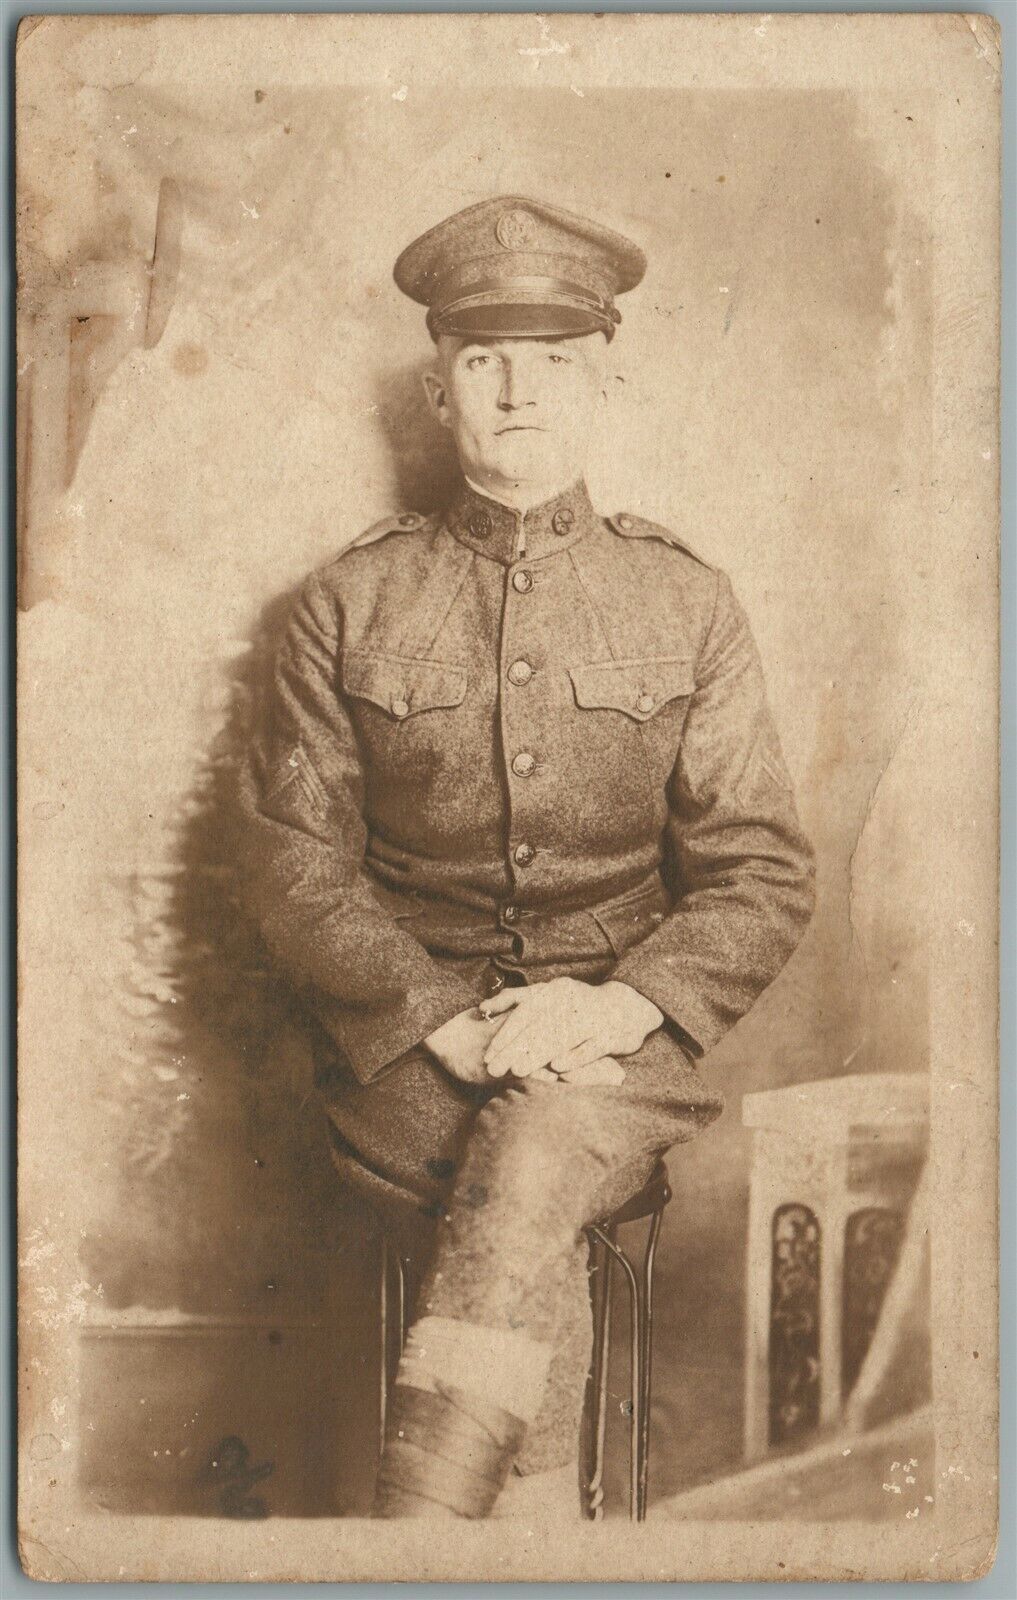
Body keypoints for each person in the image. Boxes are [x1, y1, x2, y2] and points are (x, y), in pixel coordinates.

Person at [237, 195, 815, 1521]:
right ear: (439, 391)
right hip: (405, 1050)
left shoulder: (686, 599)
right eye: (485, 360)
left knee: (552, 1127)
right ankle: (535, 1534)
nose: (516, 390)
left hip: (618, 1040)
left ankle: (429, 1528)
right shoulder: (347, 600)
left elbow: (759, 867)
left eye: (550, 361)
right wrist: (445, 1026)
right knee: (531, 1151)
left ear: (600, 384)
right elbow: (292, 866)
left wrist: (611, 1006)